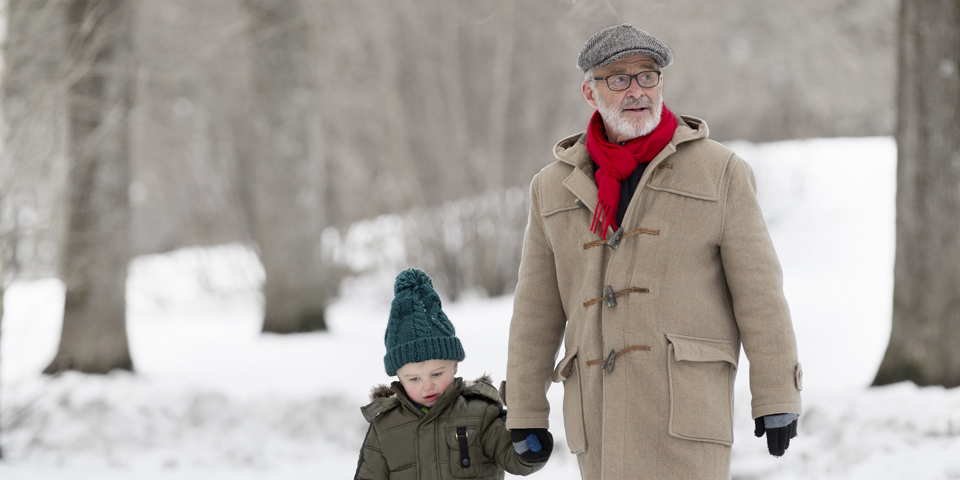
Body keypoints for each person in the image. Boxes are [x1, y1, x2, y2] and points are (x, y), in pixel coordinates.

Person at [504, 24, 803, 479]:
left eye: (648, 75)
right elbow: (536, 309)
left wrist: (777, 394)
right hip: (598, 415)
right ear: (590, 92)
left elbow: (760, 293)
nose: (637, 90)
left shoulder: (719, 172)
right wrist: (525, 408)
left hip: (685, 414)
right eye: (618, 78)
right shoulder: (552, 187)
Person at [355, 268, 553, 480]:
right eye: (414, 379)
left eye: (437, 374)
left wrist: (529, 445)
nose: (427, 385)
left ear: (455, 366)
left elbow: (513, 457)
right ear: (398, 377)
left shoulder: (480, 414)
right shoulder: (384, 427)